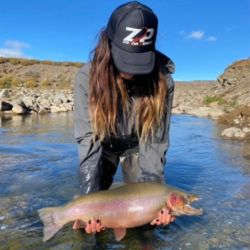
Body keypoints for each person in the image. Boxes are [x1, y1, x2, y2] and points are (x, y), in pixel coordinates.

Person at [73, 1, 175, 234]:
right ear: (108, 43)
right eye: (124, 58)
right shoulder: (85, 78)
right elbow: (88, 140)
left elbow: (155, 141)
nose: (131, 71)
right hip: (102, 144)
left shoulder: (164, 81)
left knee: (145, 222)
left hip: (138, 146)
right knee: (86, 220)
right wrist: (89, 198)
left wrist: (156, 198)